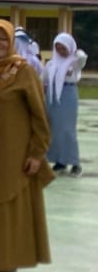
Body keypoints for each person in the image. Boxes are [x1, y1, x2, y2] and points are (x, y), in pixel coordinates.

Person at [0, 20, 53, 272]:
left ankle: (6, 262)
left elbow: (39, 116)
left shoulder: (23, 71)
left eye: (1, 39)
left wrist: (36, 153)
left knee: (6, 204)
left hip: (13, 153)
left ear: (11, 42)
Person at [44, 32, 86, 175]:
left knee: (68, 130)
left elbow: (82, 58)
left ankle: (75, 163)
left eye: (64, 48)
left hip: (68, 96)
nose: (61, 51)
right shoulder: (51, 63)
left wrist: (74, 51)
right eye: (58, 48)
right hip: (52, 97)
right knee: (54, 130)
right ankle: (59, 162)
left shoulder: (74, 62)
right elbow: (44, 81)